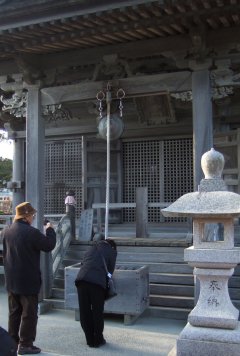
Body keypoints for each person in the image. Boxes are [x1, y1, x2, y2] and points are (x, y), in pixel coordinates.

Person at [2, 202, 56, 355]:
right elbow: (49, 245)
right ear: (26, 216)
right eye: (32, 215)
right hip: (28, 280)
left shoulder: (6, 231)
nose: (33, 218)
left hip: (11, 280)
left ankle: (12, 342)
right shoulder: (31, 232)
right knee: (29, 313)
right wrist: (50, 229)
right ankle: (25, 344)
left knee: (14, 312)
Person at [75, 237, 117, 348]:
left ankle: (89, 340)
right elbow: (110, 272)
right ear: (112, 246)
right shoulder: (112, 251)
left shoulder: (90, 249)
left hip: (81, 281)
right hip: (97, 284)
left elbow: (83, 263)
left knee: (84, 311)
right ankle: (98, 339)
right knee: (97, 312)